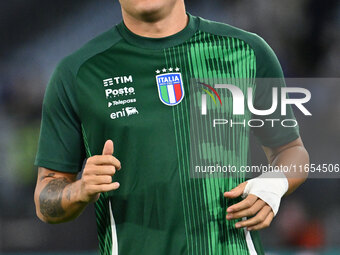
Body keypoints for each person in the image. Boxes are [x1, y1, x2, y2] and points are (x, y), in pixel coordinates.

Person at [34, 0, 309, 254]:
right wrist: (80, 190)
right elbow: (45, 199)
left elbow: (292, 151)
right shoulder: (78, 73)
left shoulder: (247, 52)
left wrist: (273, 184)